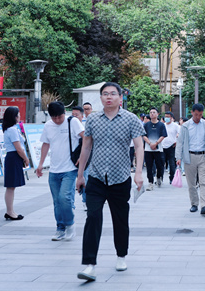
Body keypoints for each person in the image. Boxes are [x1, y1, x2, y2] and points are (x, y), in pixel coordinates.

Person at [76, 82, 145, 282]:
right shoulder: (92, 119)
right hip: (96, 177)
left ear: (120, 98)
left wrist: (138, 173)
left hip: (120, 178)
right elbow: (86, 147)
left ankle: (121, 255)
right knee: (92, 217)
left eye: (113, 94)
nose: (109, 97)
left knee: (120, 219)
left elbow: (139, 146)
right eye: (105, 94)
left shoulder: (130, 119)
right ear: (101, 98)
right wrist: (80, 175)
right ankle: (90, 264)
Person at [36, 101, 84, 241]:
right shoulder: (48, 125)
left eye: (59, 117)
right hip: (54, 170)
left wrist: (82, 157)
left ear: (64, 113)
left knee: (64, 198)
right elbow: (45, 144)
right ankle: (60, 228)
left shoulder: (73, 122)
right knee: (57, 201)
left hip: (69, 168)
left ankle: (70, 224)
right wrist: (40, 164)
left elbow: (86, 138)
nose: (57, 120)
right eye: (54, 118)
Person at [176, 103, 205, 215]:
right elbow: (180, 142)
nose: (198, 117)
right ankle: (194, 204)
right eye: (196, 114)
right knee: (191, 183)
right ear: (192, 112)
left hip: (203, 156)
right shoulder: (185, 126)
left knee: (203, 182)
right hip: (189, 156)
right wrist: (178, 157)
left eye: (200, 115)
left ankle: (204, 205)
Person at [2, 106, 29, 221]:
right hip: (13, 157)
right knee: (10, 187)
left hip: (13, 158)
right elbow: (18, 148)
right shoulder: (12, 130)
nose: (19, 116)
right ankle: (9, 211)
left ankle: (11, 211)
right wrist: (26, 158)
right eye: (18, 114)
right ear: (13, 116)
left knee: (11, 187)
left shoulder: (11, 128)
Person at [143, 107, 167, 190]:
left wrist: (156, 143)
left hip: (158, 149)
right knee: (149, 166)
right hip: (148, 149)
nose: (152, 114)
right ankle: (150, 183)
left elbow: (163, 135)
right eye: (150, 112)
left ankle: (159, 177)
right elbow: (144, 136)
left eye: (154, 112)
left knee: (160, 165)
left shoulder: (161, 125)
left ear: (157, 114)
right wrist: (150, 143)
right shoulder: (146, 125)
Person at [161, 112, 180, 183]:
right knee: (161, 163)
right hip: (162, 146)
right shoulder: (163, 125)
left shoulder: (175, 126)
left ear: (171, 118)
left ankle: (172, 178)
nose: (166, 118)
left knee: (172, 163)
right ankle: (160, 178)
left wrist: (177, 141)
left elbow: (180, 134)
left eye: (168, 117)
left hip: (172, 146)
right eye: (165, 116)